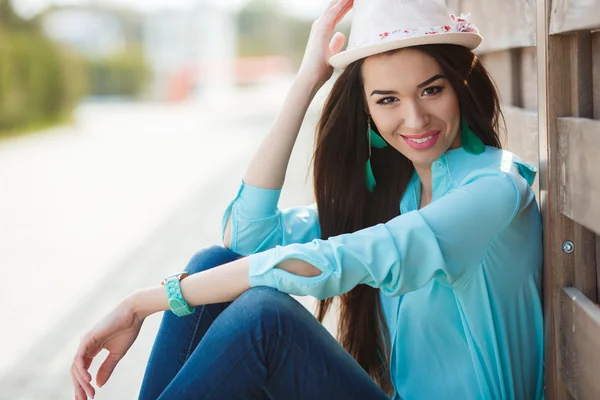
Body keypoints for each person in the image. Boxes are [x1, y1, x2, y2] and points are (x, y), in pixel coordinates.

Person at [70, 0, 544, 399]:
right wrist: (305, 84)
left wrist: (143, 302)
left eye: (431, 90)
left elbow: (337, 260)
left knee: (264, 319)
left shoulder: (494, 188)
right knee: (213, 261)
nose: (415, 118)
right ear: (366, 111)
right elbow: (245, 239)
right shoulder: (395, 195)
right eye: (387, 100)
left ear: (460, 87)